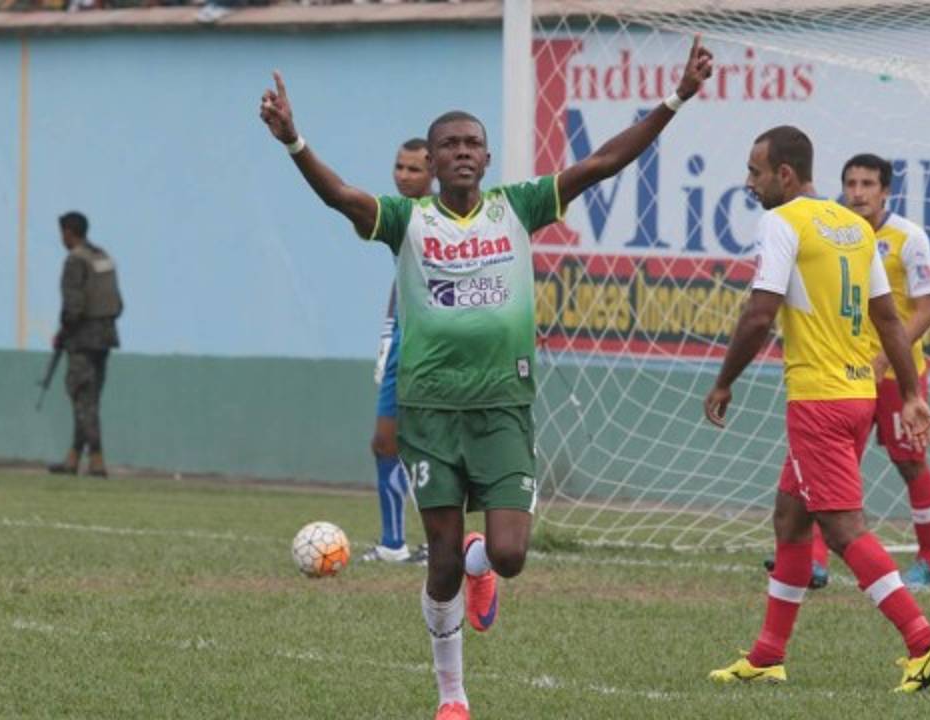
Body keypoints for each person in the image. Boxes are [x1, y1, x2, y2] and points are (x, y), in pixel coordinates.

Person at [260, 35, 712, 720]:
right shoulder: (407, 219)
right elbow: (342, 197)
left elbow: (601, 162)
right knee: (437, 557)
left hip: (504, 407)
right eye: (450, 145)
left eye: (473, 142)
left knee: (509, 555)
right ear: (432, 162)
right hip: (430, 412)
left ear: (488, 155)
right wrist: (295, 143)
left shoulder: (518, 206)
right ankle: (453, 697)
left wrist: (676, 98)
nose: (463, 151)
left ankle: (482, 569)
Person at [703, 126, 930, 692]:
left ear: (784, 175)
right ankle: (768, 654)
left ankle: (923, 641)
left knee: (843, 531)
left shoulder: (781, 221)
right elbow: (888, 320)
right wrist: (911, 393)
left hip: (817, 400)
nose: (749, 183)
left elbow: (759, 313)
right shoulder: (853, 226)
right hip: (858, 398)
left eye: (756, 172)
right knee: (791, 519)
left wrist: (724, 382)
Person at [764, 153, 930, 591]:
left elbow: (927, 307)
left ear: (886, 191)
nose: (858, 192)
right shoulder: (835, 231)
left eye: (868, 184)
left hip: (896, 372)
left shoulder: (909, 238)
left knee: (910, 463)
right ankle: (815, 562)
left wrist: (889, 356)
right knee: (828, 470)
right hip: (845, 375)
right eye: (851, 183)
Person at [362, 138, 433, 565]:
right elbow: (403, 279)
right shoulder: (397, 215)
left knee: (431, 447)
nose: (404, 176)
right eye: (399, 167)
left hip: (436, 347)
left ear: (434, 174)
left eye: (414, 169)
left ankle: (441, 543)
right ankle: (393, 544)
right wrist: (389, 332)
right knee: (385, 442)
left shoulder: (441, 218)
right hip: (402, 341)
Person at [47, 211, 124, 478]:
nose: (61, 238)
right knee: (90, 399)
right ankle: (73, 458)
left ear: (69, 232)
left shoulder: (75, 261)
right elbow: (118, 303)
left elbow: (73, 307)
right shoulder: (102, 257)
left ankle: (97, 460)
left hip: (82, 338)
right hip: (105, 336)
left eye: (62, 232)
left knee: (82, 398)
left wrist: (63, 333)